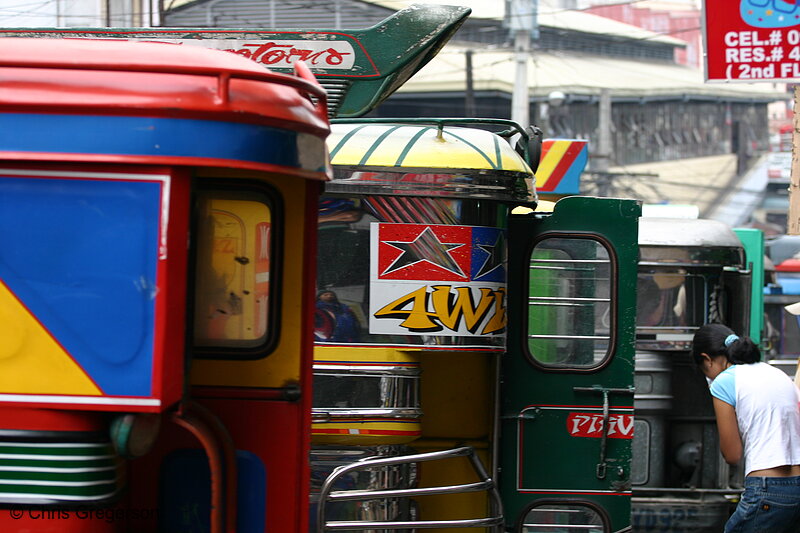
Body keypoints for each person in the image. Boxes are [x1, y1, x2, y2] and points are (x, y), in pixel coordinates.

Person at [692, 323, 800, 532]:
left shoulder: (723, 382)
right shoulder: (775, 373)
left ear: (707, 359)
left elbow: (732, 455)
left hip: (769, 488)